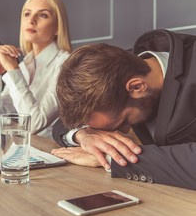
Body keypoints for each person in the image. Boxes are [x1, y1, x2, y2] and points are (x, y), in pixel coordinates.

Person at [51, 29, 196, 190]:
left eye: (123, 121)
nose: (123, 132)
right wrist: (84, 135)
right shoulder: (120, 67)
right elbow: (63, 122)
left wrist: (111, 157)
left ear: (137, 86)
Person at [0, 0, 72, 138]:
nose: (31, 20)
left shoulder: (65, 64)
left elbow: (34, 124)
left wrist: (12, 70)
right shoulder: (25, 65)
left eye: (43, 15)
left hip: (52, 151)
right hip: (24, 148)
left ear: (57, 27)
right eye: (27, 14)